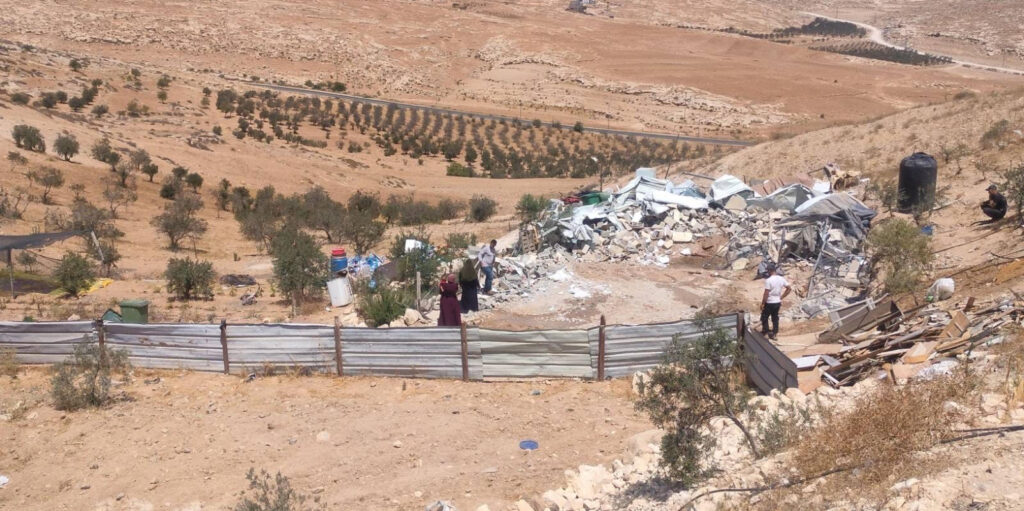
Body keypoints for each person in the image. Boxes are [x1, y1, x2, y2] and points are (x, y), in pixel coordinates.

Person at [760, 263, 791, 340]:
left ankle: (766, 332)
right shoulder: (781, 278)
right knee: (775, 317)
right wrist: (782, 297)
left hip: (769, 302)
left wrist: (763, 303)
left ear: (769, 271)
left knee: (764, 317)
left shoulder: (768, 280)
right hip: (777, 302)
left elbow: (766, 293)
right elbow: (789, 288)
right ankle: (774, 333)